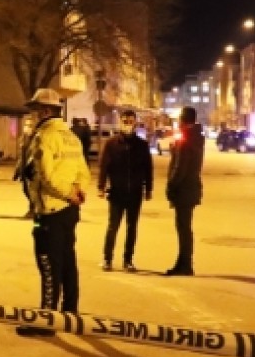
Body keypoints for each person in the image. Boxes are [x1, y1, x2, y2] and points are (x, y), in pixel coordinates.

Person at [19, 88, 89, 335]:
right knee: (68, 260)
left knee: (48, 263)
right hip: (69, 210)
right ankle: (70, 312)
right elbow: (83, 171)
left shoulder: (44, 137)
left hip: (51, 208)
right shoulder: (71, 136)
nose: (32, 115)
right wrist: (78, 192)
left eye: (35, 110)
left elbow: (46, 176)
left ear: (46, 111)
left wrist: (67, 194)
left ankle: (46, 320)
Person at [97, 109, 153, 271]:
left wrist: (148, 188)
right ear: (120, 122)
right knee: (112, 226)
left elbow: (147, 168)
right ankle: (107, 258)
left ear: (135, 123)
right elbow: (104, 167)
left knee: (132, 227)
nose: (128, 124)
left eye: (130, 121)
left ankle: (128, 260)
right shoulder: (111, 144)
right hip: (116, 192)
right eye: (125, 121)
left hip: (135, 193)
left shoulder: (141, 145)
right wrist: (101, 187)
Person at [163, 106, 204, 277]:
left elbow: (180, 167)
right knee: (185, 228)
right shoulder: (196, 137)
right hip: (191, 188)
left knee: (183, 228)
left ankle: (185, 265)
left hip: (184, 190)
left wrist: (171, 186)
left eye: (179, 119)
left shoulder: (186, 139)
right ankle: (183, 263)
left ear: (184, 120)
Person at [12, 116, 37, 219]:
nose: (27, 127)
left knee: (32, 191)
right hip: (24, 168)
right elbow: (21, 156)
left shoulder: (37, 139)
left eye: (30, 125)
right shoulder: (23, 138)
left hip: (33, 169)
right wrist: (17, 171)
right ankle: (34, 208)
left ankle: (33, 210)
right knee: (25, 190)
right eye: (26, 125)